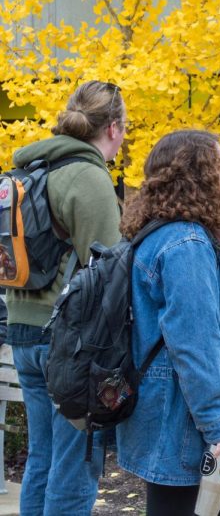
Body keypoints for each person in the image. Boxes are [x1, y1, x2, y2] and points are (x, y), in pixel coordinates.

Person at [116, 130, 220, 516]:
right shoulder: (186, 244)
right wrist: (218, 429)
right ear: (199, 174)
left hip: (174, 420)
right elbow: (194, 344)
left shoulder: (161, 235)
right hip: (188, 431)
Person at [5, 81, 125, 516]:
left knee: (43, 458)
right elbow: (111, 271)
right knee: (75, 467)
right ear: (113, 128)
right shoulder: (88, 177)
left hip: (23, 332)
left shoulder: (31, 167)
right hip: (67, 344)